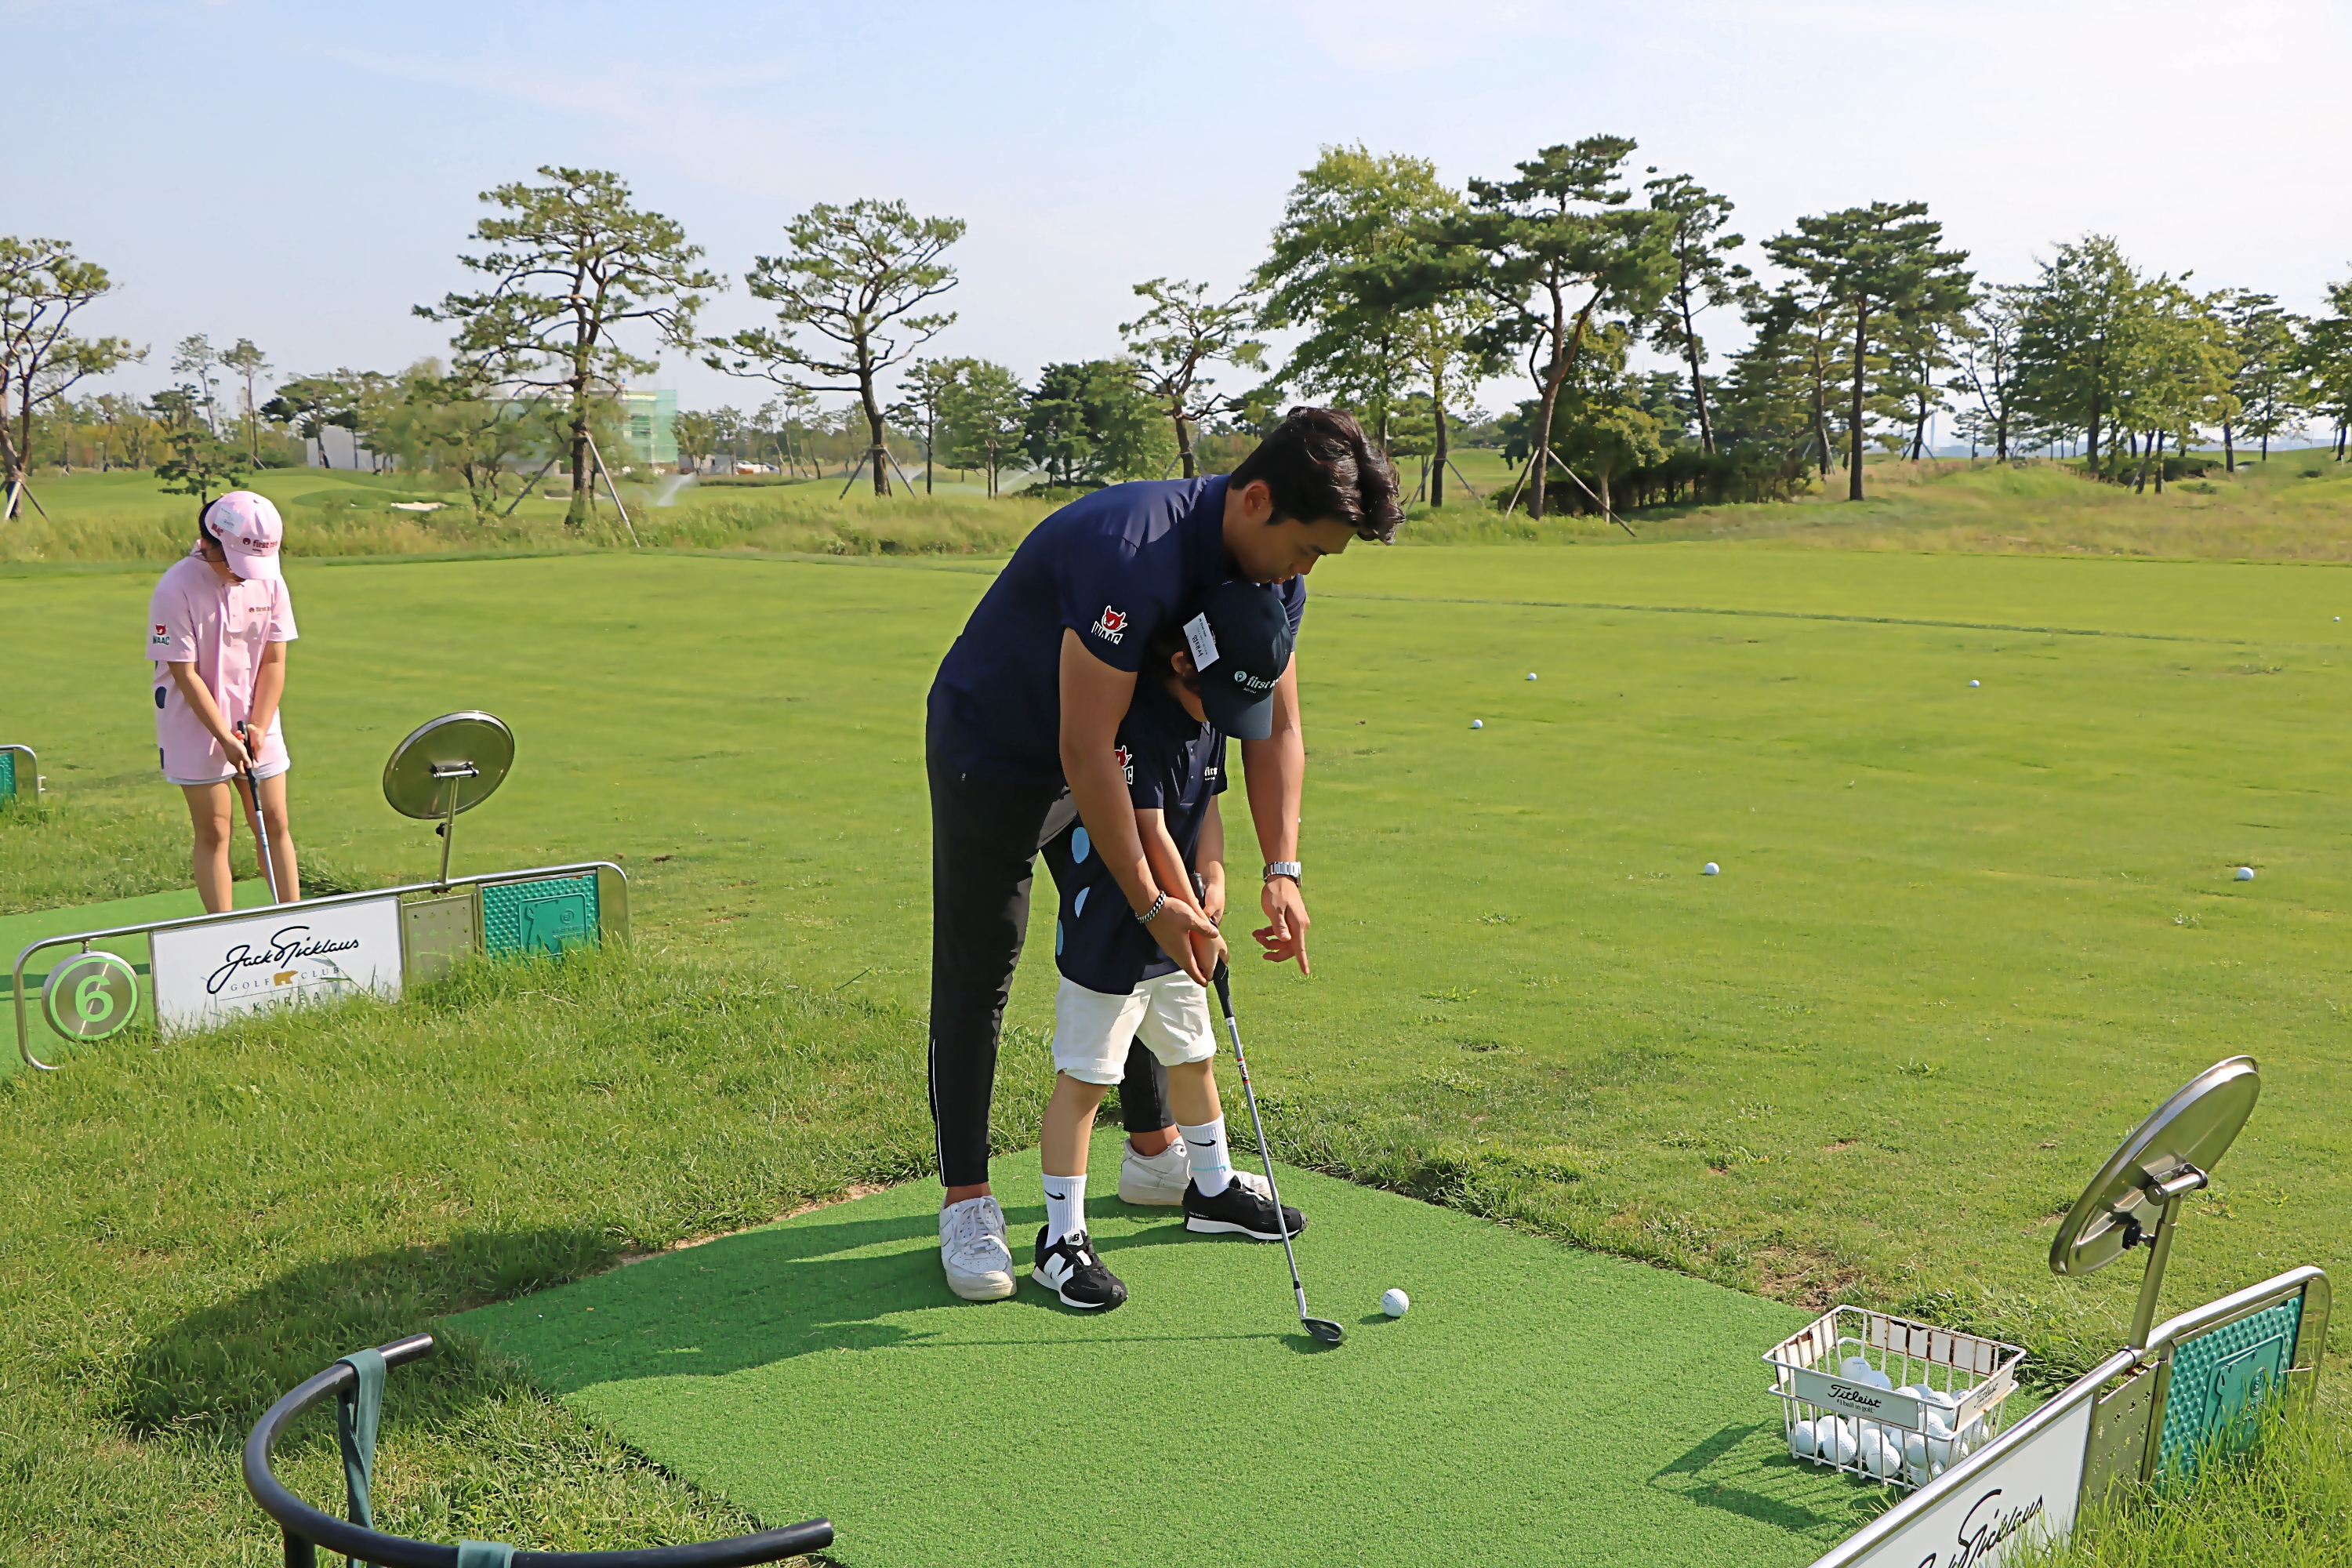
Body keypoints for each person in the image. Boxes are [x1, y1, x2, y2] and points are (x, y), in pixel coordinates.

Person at [925, 407, 1400, 1301]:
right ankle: (968, 1200)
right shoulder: (1132, 550)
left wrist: (1281, 870)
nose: (1304, 574)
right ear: (1255, 500)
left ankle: (1155, 1157)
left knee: (1143, 949)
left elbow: (1276, 725)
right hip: (997, 748)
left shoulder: (1275, 580)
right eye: (1305, 548)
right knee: (981, 963)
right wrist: (1149, 896)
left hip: (1126, 761)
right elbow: (1083, 746)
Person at [1030, 583, 1308, 1308]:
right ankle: (1060, 1239)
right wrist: (1189, 911)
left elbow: (1206, 807)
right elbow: (1148, 829)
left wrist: (1214, 877)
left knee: (1193, 1056)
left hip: (1177, 927)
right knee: (1086, 1080)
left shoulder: (1210, 711)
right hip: (1112, 931)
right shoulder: (1141, 720)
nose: (1224, 717)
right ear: (1185, 663)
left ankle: (1210, 1190)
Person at [148, 491, 299, 911]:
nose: (245, 574)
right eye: (236, 561)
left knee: (274, 820)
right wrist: (224, 737)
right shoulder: (175, 587)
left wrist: (260, 726)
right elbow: (185, 673)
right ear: (209, 543)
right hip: (193, 719)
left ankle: (296, 921)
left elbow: (274, 659)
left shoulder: (269, 580)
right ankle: (224, 931)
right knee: (215, 828)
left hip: (256, 715)